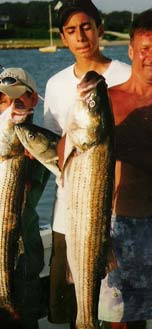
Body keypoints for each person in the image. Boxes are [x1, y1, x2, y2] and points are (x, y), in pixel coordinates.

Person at [44, 0, 130, 328]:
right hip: (68, 215)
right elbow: (53, 148)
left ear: (99, 30)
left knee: (121, 314)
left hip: (119, 215)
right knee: (70, 310)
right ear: (63, 38)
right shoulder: (55, 84)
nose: (80, 36)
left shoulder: (125, 74)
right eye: (71, 30)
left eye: (86, 27)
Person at [96, 7, 152, 329]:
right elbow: (67, 150)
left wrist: (128, 148)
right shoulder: (105, 101)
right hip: (123, 229)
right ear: (131, 50)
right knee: (124, 323)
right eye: (145, 48)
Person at [0, 67, 50, 329]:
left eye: (19, 100)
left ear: (33, 100)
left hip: (24, 256)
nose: (12, 106)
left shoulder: (39, 143)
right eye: (5, 100)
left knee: (24, 320)